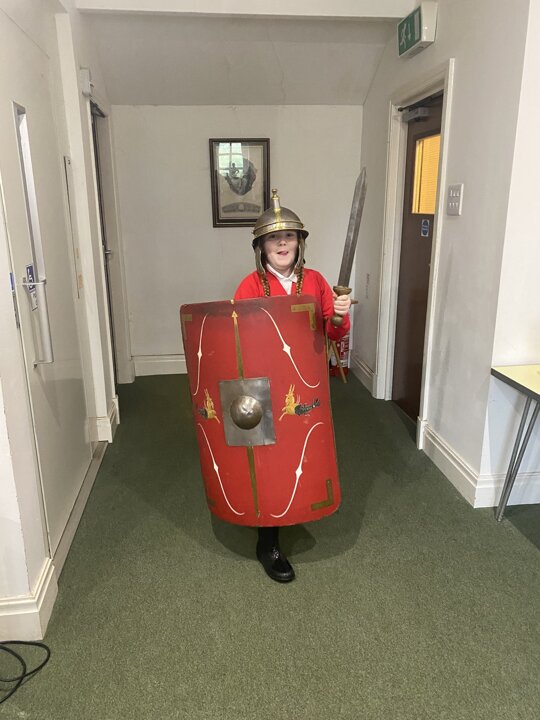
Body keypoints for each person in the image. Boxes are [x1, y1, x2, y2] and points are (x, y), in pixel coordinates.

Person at [234, 189, 351, 582]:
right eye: (273, 238)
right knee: (269, 460)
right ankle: (268, 540)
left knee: (305, 451)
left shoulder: (315, 281)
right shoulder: (249, 286)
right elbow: (238, 342)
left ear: (299, 242)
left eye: (288, 237)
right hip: (267, 388)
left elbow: (332, 333)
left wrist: (339, 315)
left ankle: (298, 506)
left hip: (306, 384)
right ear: (261, 247)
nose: (282, 244)